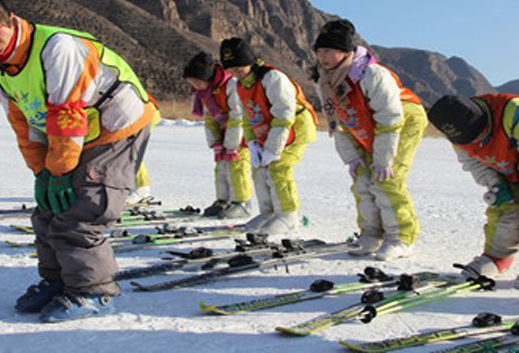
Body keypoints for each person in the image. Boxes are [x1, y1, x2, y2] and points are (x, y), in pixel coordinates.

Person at [0, 0, 155, 322]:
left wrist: (60, 171)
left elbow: (67, 113)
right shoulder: (2, 68)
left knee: (84, 208)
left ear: (11, 20)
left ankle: (95, 292)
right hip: (76, 132)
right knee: (49, 209)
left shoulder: (56, 47)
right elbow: (23, 123)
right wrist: (42, 173)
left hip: (116, 124)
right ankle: (59, 280)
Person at [428, 94, 519, 290]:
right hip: (503, 159)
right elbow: (472, 162)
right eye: (469, 140)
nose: (474, 142)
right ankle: (497, 256)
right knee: (502, 206)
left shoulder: (515, 112)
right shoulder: (455, 128)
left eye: (478, 135)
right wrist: (494, 184)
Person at [312, 19, 427, 261]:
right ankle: (371, 234)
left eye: (328, 51)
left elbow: (390, 117)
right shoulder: (324, 79)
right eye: (319, 51)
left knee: (386, 179)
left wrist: (384, 159)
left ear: (345, 52)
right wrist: (351, 157)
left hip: (401, 121)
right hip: (361, 124)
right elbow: (336, 122)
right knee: (362, 180)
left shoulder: (371, 74)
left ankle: (401, 238)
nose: (322, 57)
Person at [220, 38, 317, 236]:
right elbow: (247, 118)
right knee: (260, 169)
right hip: (269, 129)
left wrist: (273, 148)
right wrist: (253, 143)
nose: (235, 73)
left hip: (295, 126)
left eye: (239, 68)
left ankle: (288, 216)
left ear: (250, 61)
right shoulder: (240, 85)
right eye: (231, 70)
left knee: (279, 167)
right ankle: (269, 212)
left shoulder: (272, 78)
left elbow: (284, 115)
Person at [183, 51, 254, 219]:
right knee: (221, 166)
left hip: (241, 134)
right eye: (192, 83)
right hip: (225, 133)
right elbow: (210, 119)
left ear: (207, 78)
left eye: (197, 82)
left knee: (237, 166)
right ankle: (223, 200)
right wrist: (215, 143)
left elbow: (238, 116)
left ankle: (242, 203)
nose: (196, 86)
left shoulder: (231, 85)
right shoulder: (206, 93)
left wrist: (232, 145)